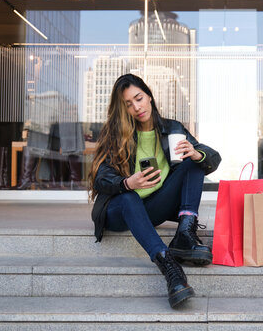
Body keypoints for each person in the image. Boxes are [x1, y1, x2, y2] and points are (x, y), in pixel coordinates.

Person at [88, 74, 221, 308]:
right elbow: (101, 177)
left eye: (139, 98)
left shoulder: (173, 129)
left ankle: (185, 235)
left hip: (152, 206)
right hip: (119, 210)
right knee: (129, 198)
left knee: (193, 160)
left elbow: (210, 157)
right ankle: (170, 267)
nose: (136, 107)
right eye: (128, 104)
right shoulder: (116, 134)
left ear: (149, 96)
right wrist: (128, 183)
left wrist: (197, 153)